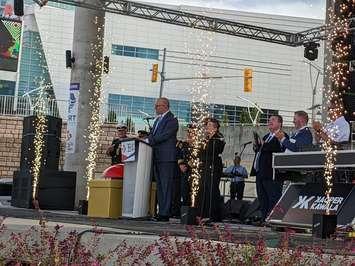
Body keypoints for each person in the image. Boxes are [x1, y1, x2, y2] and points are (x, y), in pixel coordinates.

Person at [148, 97, 179, 222]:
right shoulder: (157, 120)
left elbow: (165, 135)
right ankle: (161, 211)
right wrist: (146, 139)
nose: (155, 108)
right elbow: (153, 135)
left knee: (166, 186)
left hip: (166, 158)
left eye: (157, 106)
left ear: (165, 106)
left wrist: (150, 140)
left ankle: (165, 213)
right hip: (157, 156)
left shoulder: (172, 119)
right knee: (160, 186)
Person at [252, 115, 286, 222]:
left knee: (273, 197)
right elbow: (261, 149)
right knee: (262, 198)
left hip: (272, 174)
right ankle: (264, 219)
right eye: (269, 119)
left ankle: (273, 220)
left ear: (279, 123)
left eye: (273, 120)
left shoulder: (281, 136)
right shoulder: (266, 136)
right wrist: (256, 146)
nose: (270, 121)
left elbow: (275, 148)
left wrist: (263, 145)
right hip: (260, 172)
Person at [198, 117, 225, 222]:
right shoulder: (206, 138)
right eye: (207, 125)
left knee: (212, 189)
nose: (207, 127)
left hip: (214, 165)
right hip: (205, 165)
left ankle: (213, 215)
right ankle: (203, 213)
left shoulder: (218, 138)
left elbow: (215, 150)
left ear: (215, 127)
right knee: (205, 189)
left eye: (209, 125)